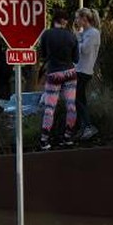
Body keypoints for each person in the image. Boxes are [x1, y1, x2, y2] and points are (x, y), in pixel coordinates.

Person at [38, 9, 79, 150]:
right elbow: (76, 59)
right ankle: (68, 137)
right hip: (69, 73)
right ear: (64, 21)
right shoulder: (71, 36)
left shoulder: (46, 34)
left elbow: (42, 55)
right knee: (71, 106)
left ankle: (44, 139)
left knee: (50, 107)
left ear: (54, 20)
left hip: (54, 73)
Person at [74, 8, 101, 141]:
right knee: (80, 99)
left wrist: (77, 39)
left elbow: (84, 50)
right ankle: (83, 127)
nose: (76, 21)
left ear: (84, 19)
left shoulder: (93, 33)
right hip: (79, 69)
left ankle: (88, 126)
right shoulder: (85, 32)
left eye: (78, 18)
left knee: (78, 99)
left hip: (84, 71)